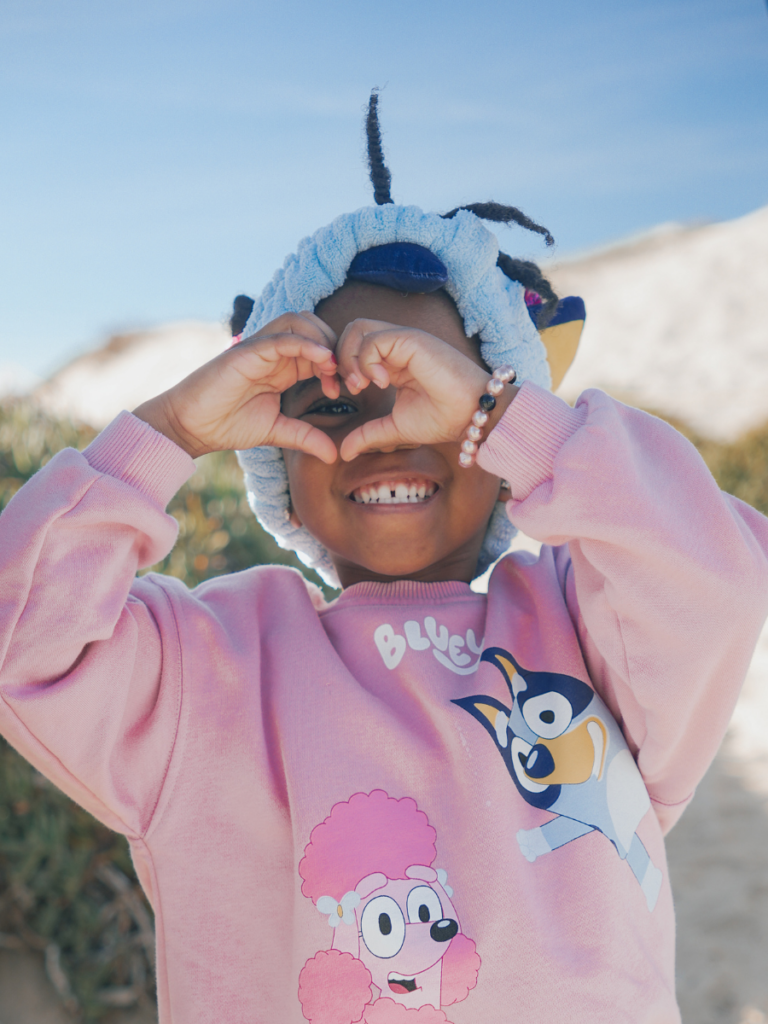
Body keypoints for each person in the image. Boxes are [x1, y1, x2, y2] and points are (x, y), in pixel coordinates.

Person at [1, 94, 767, 1024]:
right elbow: (24, 638)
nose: (384, 434)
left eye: (433, 397)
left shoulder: (586, 629)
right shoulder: (213, 669)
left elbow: (716, 577)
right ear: (275, 467)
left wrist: (511, 420)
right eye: (330, 406)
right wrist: (168, 432)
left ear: (502, 440)